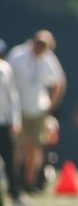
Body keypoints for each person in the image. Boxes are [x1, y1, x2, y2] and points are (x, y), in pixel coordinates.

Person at [6, 30, 66, 193]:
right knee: (18, 148)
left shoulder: (48, 57)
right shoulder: (17, 55)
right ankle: (16, 181)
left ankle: (29, 183)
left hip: (38, 110)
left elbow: (59, 82)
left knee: (35, 148)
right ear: (34, 43)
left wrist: (50, 105)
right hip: (18, 109)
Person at [0, 39, 30, 206]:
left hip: (3, 122)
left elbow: (12, 96)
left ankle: (14, 193)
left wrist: (15, 120)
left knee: (10, 159)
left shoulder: (5, 68)